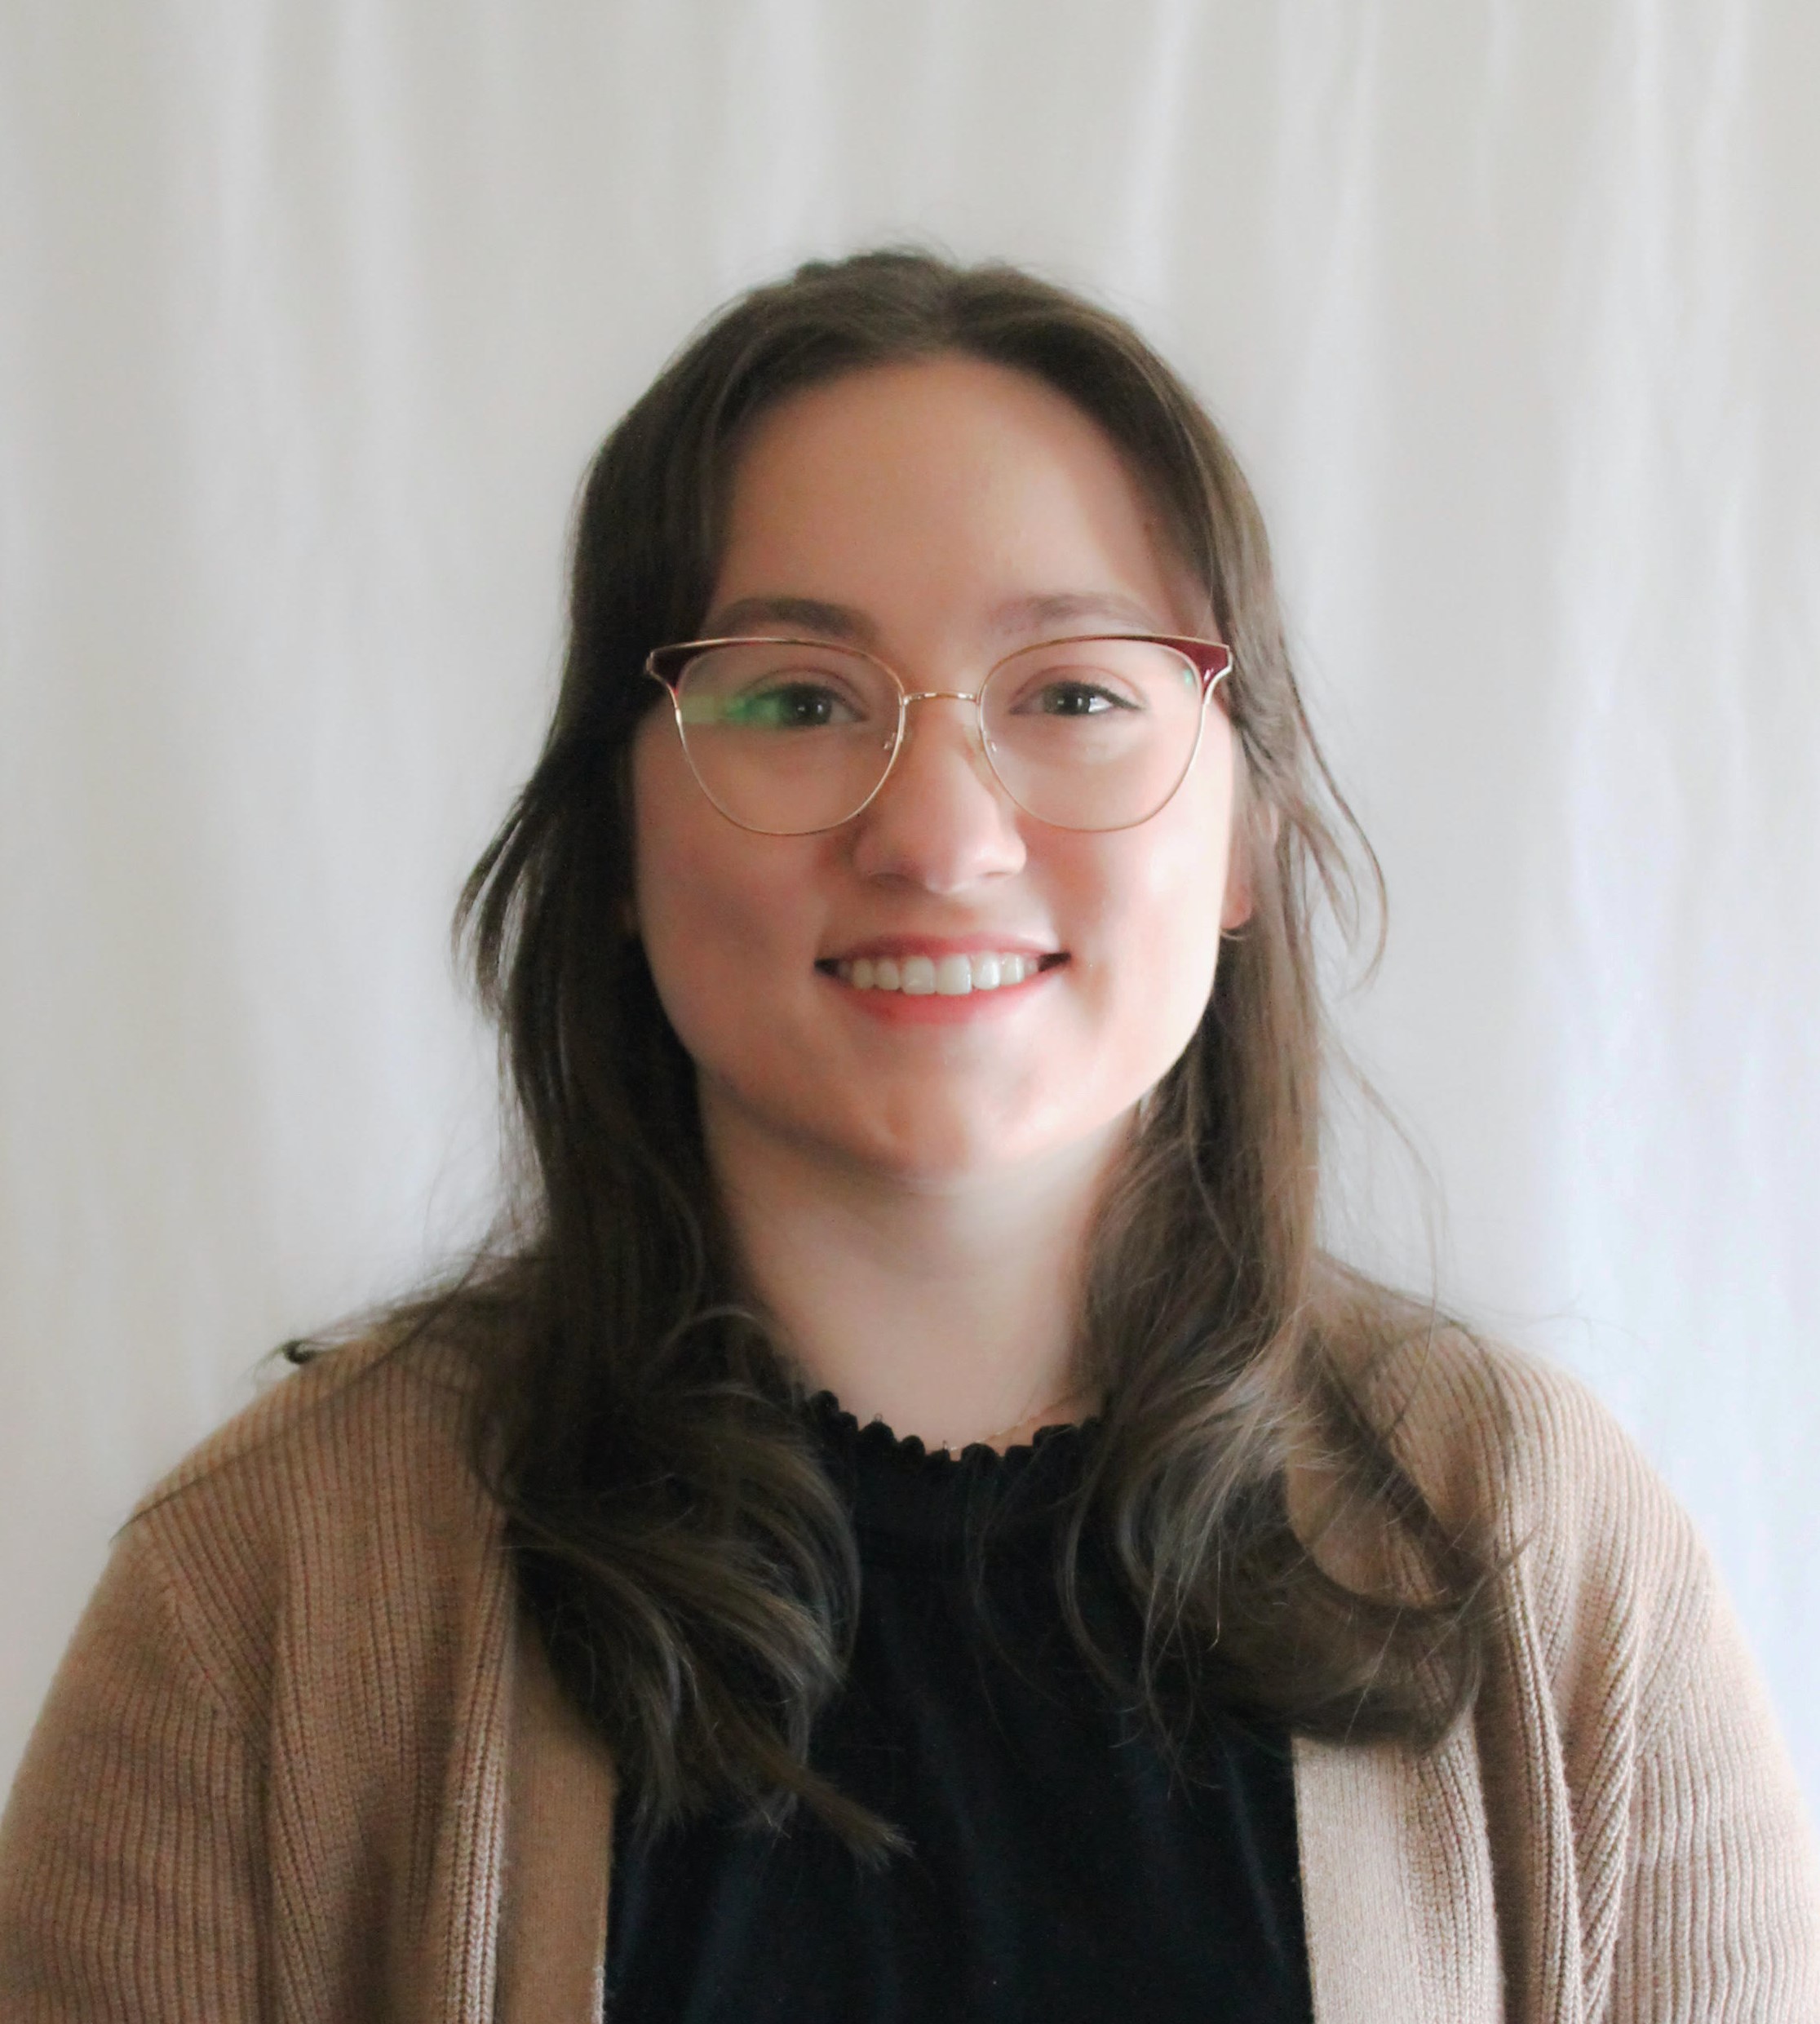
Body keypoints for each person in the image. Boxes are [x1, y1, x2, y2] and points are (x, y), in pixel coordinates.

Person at [1, 250, 1814, 2022]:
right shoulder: (262, 1585)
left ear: (1248, 831)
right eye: (797, 698)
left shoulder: (1549, 1556)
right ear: (616, 835)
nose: (941, 835)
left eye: (1074, 694)